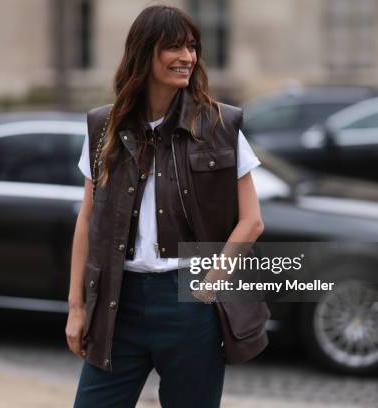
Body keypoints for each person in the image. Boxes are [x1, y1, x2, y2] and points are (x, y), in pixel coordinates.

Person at [66, 5, 266, 408]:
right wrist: (75, 307)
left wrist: (208, 288)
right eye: (174, 47)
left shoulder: (219, 125)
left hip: (188, 303)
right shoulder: (104, 127)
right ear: (145, 53)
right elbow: (87, 220)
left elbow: (252, 221)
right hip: (118, 303)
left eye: (191, 47)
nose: (188, 57)